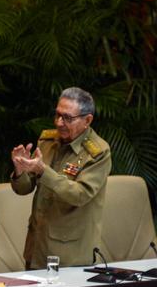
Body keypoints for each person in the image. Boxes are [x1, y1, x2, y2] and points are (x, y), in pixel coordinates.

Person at [11, 87, 112, 269]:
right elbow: (24, 188)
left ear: (87, 120)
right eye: (57, 115)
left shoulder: (98, 153)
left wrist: (43, 171)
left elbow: (80, 195)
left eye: (68, 118)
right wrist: (20, 171)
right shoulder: (48, 142)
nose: (59, 123)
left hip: (69, 255)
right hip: (37, 247)